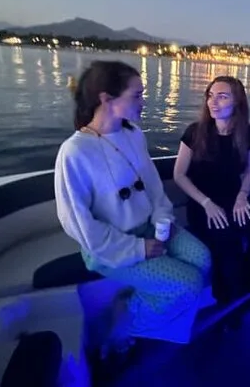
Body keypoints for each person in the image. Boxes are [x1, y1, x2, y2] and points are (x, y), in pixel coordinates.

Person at [54, 60, 211, 359]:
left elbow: (152, 186)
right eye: (137, 95)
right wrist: (138, 248)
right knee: (188, 285)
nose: (143, 101)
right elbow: (80, 225)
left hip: (151, 226)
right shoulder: (75, 152)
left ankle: (143, 305)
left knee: (202, 259)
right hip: (110, 247)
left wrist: (163, 220)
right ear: (106, 99)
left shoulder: (133, 134)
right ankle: (123, 322)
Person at [174, 76, 250, 330]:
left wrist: (242, 195)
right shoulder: (195, 132)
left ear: (237, 101)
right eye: (210, 95)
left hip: (235, 197)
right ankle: (228, 304)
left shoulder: (247, 133)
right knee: (228, 245)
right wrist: (206, 203)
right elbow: (179, 175)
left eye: (222, 96)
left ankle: (249, 296)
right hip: (203, 203)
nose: (213, 102)